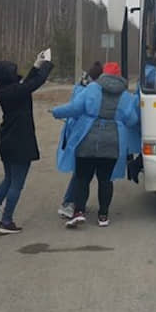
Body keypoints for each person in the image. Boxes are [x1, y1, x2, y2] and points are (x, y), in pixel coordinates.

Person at [52, 62, 140, 228]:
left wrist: (56, 112)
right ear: (119, 76)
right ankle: (103, 216)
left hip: (87, 138)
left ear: (103, 74)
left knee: (82, 178)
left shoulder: (92, 89)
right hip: (112, 141)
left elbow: (74, 108)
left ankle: (79, 212)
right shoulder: (126, 96)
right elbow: (132, 120)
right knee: (105, 180)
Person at [0, 49, 54, 235]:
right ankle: (6, 221)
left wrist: (36, 65)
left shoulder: (5, 90)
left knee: (8, 179)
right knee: (17, 183)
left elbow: (26, 83)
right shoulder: (14, 91)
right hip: (19, 141)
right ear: (8, 76)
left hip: (6, 139)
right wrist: (47, 64)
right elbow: (35, 83)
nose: (16, 74)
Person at [56, 61, 103, 219]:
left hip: (75, 131)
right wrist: (57, 112)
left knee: (81, 172)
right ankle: (69, 203)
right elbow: (76, 109)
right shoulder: (90, 91)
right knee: (80, 173)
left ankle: (73, 202)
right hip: (81, 133)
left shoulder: (81, 86)